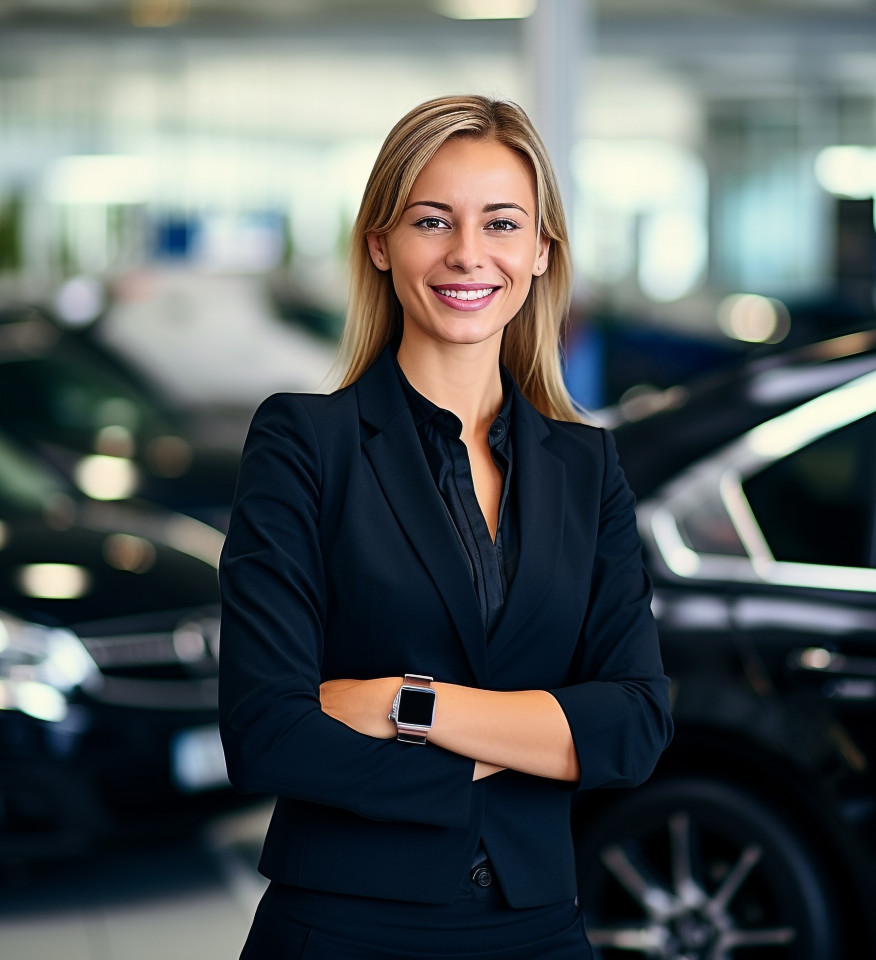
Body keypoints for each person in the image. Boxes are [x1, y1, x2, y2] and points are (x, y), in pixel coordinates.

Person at [218, 93, 673, 960]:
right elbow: (268, 733)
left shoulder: (586, 466)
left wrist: (407, 705)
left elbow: (634, 726)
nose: (469, 253)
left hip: (539, 927)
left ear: (540, 252)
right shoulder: (304, 442)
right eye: (433, 220)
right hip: (347, 926)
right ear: (380, 244)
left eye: (501, 223)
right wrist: (542, 737)